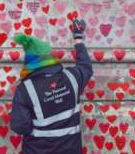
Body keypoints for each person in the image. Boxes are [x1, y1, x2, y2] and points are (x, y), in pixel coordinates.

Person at [10, 19, 93, 154]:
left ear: (30, 63)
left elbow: (20, 126)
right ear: (50, 57)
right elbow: (86, 67)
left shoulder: (24, 90)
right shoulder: (71, 77)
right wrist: (78, 38)